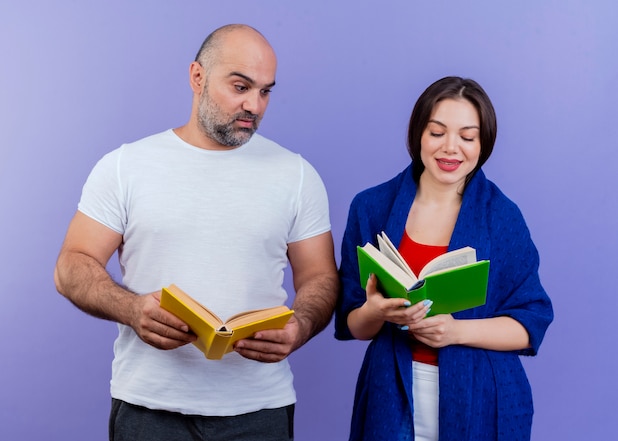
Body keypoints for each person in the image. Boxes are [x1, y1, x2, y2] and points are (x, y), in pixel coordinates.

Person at [54, 24, 339, 441]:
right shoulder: (126, 166)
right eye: (241, 86)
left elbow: (320, 277)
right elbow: (71, 266)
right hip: (148, 408)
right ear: (197, 77)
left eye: (265, 92)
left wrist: (300, 326)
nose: (254, 105)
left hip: (259, 410)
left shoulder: (297, 175)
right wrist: (131, 309)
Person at [335, 76, 553, 441]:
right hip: (391, 394)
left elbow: (531, 322)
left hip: (481, 396)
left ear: (483, 144)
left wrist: (455, 331)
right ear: (418, 133)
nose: (451, 148)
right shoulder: (370, 207)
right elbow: (353, 323)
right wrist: (376, 310)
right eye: (437, 133)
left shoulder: (502, 216)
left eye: (467, 137)